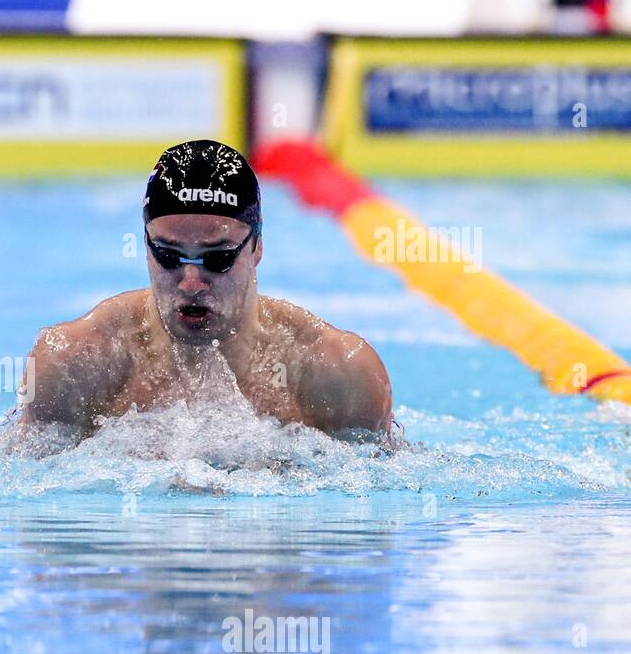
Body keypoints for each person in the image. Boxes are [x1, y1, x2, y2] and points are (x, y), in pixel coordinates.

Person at [20, 139, 393, 445]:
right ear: (145, 245)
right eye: (168, 255)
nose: (191, 283)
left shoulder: (336, 374)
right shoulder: (74, 364)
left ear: (257, 246)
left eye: (217, 259)